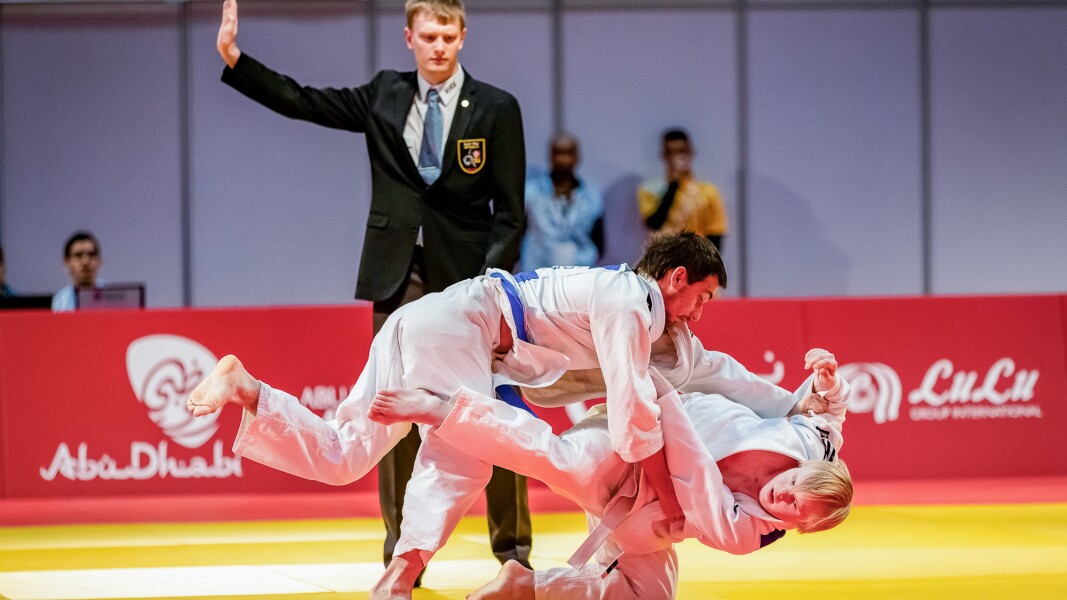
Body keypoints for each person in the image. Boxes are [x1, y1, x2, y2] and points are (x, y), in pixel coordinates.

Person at [189, 232, 750, 599]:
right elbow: (634, 415)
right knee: (463, 459)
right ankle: (400, 576)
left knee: (345, 456)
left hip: (429, 319)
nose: (700, 314)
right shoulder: (632, 302)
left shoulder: (624, 297)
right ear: (676, 278)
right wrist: (671, 499)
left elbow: (712, 371)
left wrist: (797, 401)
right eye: (702, 297)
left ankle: (248, 388)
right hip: (464, 323)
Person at [214, 0, 529, 579]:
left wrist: (492, 287)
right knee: (392, 411)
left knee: (493, 408)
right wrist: (237, 61)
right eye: (428, 35)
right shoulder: (384, 93)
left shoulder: (496, 108)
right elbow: (306, 101)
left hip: (468, 281)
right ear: (408, 36)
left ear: (464, 36)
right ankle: (401, 555)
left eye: (449, 36)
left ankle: (513, 552)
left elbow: (510, 213)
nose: (439, 46)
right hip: (396, 272)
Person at [370, 348, 851, 599]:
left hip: (645, 498)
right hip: (620, 445)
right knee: (552, 458)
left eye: (790, 511)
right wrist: (828, 381)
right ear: (803, 468)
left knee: (646, 596)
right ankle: (443, 408)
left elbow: (693, 473)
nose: (780, 497)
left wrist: (659, 399)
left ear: (800, 527)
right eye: (790, 487)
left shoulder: (747, 534)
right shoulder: (814, 446)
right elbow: (828, 415)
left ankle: (523, 586)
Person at [520, 133, 603, 271]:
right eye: (558, 153)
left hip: (579, 273)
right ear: (550, 156)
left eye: (569, 153)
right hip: (537, 274)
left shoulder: (592, 198)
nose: (563, 159)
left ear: (577, 157)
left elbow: (599, 240)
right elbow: (519, 233)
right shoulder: (531, 193)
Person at [639, 129, 728, 249]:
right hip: (663, 256)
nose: (678, 157)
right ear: (664, 156)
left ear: (690, 152)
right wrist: (673, 186)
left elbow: (716, 232)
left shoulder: (708, 192)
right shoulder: (650, 189)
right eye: (671, 153)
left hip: (697, 256)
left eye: (682, 151)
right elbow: (654, 223)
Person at [52, 231, 103, 312]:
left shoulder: (112, 295)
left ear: (99, 261)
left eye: (91, 254)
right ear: (66, 263)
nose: (85, 262)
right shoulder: (60, 300)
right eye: (78, 255)